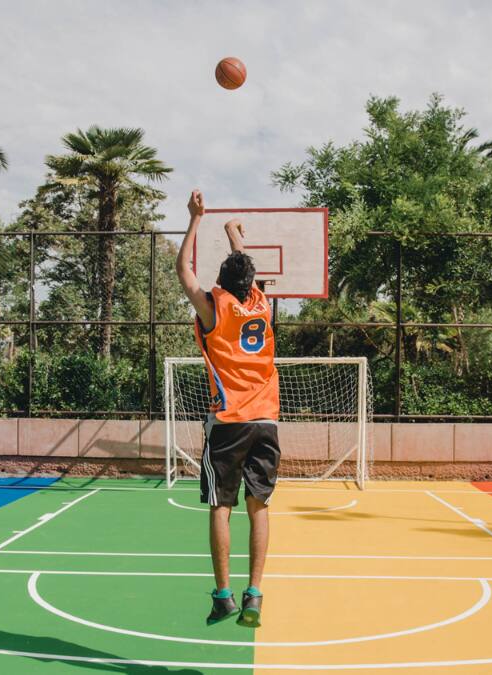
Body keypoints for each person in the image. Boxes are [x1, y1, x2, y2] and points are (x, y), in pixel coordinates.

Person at [176, 189, 280, 628]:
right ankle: (254, 593)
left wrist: (196, 219)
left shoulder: (215, 307)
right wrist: (234, 232)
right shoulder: (260, 304)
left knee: (222, 505)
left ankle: (223, 596)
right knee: (260, 507)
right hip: (267, 421)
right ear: (251, 282)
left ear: (221, 283)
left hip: (229, 422)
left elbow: (183, 270)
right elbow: (245, 268)